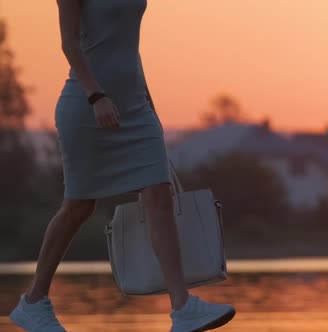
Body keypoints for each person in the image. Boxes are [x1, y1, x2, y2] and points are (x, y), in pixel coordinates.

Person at [9, 0, 236, 331]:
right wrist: (96, 97)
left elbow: (128, 46)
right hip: (88, 107)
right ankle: (33, 302)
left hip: (136, 108)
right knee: (79, 206)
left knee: (160, 194)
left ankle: (183, 308)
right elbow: (69, 44)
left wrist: (150, 108)